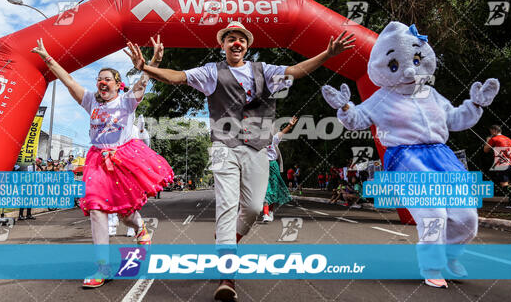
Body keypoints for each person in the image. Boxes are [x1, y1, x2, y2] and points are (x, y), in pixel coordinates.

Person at [126, 21, 354, 300]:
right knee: (226, 206)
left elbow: (295, 71)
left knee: (255, 207)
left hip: (256, 147)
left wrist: (327, 55)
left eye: (241, 39)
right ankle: (227, 277)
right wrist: (145, 67)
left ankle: (228, 239)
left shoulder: (264, 71)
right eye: (230, 38)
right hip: (224, 146)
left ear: (247, 46)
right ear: (222, 45)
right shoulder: (212, 72)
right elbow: (176, 77)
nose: (236, 43)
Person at [322, 21, 500, 288]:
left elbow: (454, 119)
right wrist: (346, 107)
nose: (407, 69)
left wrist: (475, 105)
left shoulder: (429, 92)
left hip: (442, 159)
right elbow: (358, 119)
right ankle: (431, 266)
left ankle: (451, 257)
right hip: (407, 162)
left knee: (467, 219)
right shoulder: (382, 98)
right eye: (394, 65)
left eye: (415, 60)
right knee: (434, 216)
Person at [31, 35, 174, 289]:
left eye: (107, 78)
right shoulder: (89, 101)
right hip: (97, 160)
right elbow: (68, 80)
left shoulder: (127, 101)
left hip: (124, 159)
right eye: (99, 79)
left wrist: (152, 61)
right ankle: (102, 266)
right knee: (96, 209)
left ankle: (140, 228)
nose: (102, 82)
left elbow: (144, 81)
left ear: (118, 85)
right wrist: (48, 58)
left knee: (126, 214)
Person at [262, 116, 297, 223]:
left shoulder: (274, 138)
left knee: (273, 190)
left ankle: (270, 211)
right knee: (265, 190)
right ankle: (266, 213)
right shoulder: (257, 140)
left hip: (273, 166)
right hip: (261, 166)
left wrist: (290, 125)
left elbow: (283, 132)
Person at [483, 125, 511, 208]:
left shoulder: (493, 139)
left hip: (501, 165)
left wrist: (487, 141)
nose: (491, 133)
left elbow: (485, 150)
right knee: (509, 184)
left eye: (491, 131)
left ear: (494, 131)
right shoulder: (509, 139)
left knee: (504, 184)